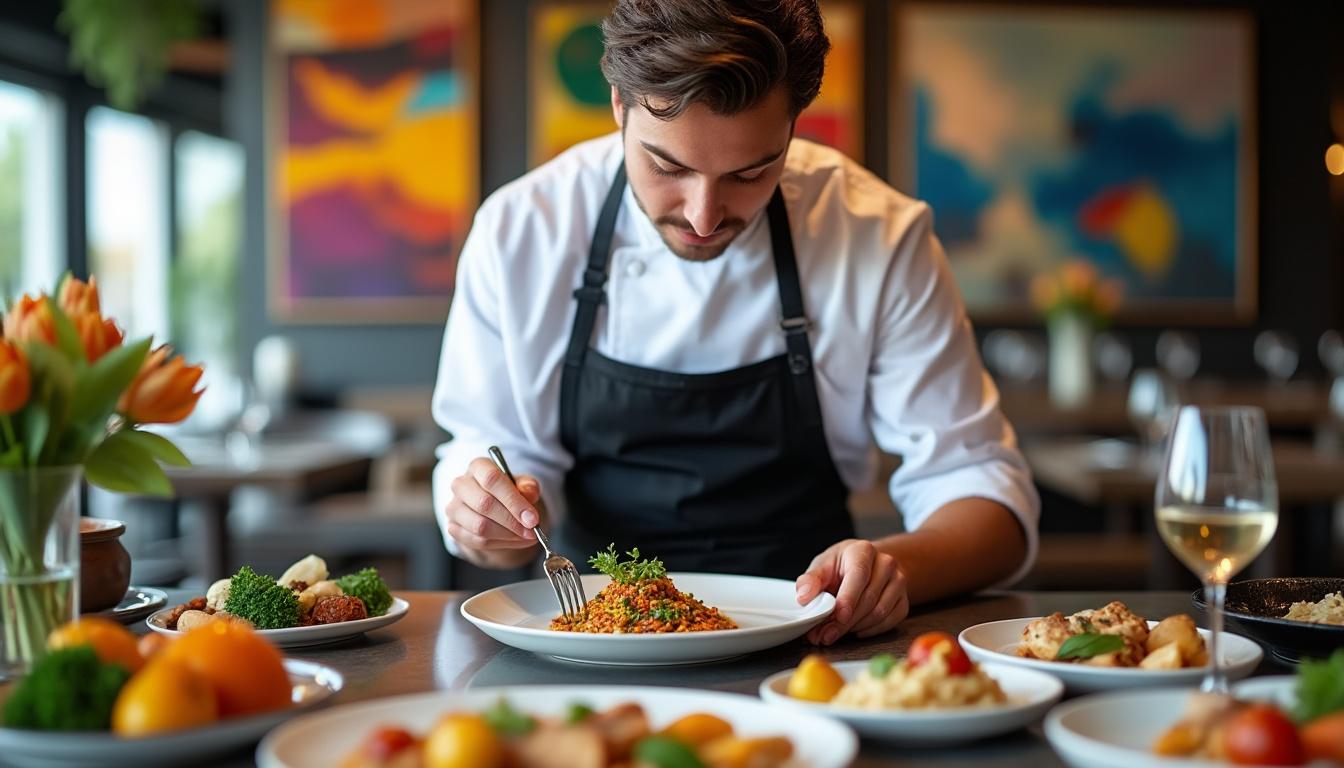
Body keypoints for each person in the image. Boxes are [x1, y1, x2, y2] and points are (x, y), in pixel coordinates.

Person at [432, 0, 1039, 645]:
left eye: (750, 173)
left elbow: (982, 494)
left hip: (811, 640)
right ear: (618, 103)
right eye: (668, 167)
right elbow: (490, 455)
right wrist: (491, 524)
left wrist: (896, 570)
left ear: (794, 126)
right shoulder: (523, 231)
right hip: (587, 639)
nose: (703, 216)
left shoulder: (875, 235)